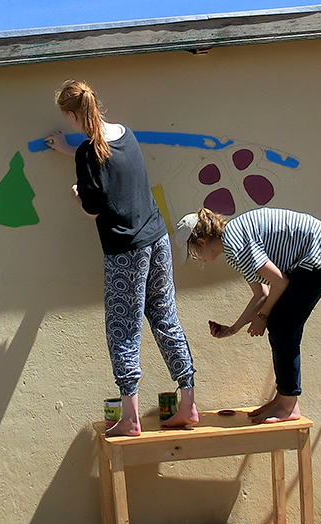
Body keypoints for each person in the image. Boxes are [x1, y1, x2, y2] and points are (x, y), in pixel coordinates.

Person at [45, 80, 198, 436]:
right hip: (157, 239)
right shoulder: (125, 135)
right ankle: (189, 405)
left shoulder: (87, 155)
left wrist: (77, 197)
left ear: (71, 114)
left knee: (123, 329)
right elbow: (109, 161)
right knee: (164, 316)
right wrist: (71, 152)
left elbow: (94, 207)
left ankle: (130, 419)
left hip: (125, 252)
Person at [175, 207, 321, 423]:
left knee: (282, 324)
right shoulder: (233, 246)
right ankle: (284, 397)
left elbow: (280, 282)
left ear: (201, 242)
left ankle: (288, 405)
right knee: (282, 322)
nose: (196, 258)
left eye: (193, 252)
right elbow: (262, 295)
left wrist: (263, 317)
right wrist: (233, 328)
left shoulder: (236, 243)